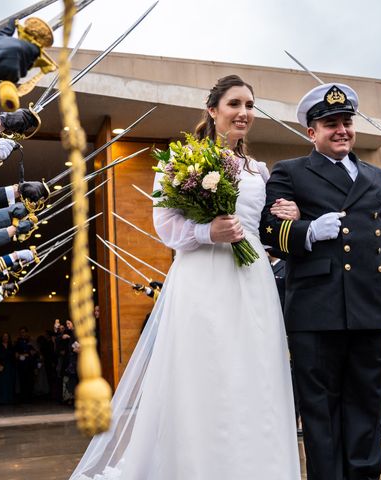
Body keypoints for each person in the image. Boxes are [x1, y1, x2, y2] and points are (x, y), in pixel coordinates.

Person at [71, 75, 301, 480]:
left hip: (253, 280)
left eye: (249, 105)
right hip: (202, 277)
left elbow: (261, 228)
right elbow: (165, 225)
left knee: (254, 372)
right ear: (212, 111)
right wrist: (205, 232)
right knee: (207, 373)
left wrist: (285, 216)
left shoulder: (258, 170)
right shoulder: (179, 162)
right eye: (234, 104)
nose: (244, 113)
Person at [260, 83, 381, 480]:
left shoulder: (377, 178)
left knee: (365, 405)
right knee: (321, 413)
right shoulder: (290, 172)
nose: (341, 130)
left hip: (368, 307)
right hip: (316, 310)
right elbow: (269, 232)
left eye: (346, 122)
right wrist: (308, 231)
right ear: (312, 132)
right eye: (330, 124)